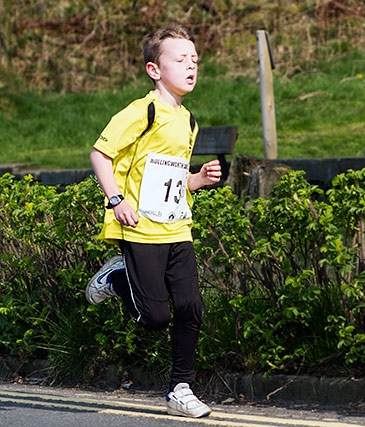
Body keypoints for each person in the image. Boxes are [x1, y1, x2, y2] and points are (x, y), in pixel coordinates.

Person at [85, 25, 222, 419]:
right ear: (154, 70)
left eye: (194, 60)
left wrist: (198, 179)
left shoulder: (189, 121)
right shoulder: (141, 110)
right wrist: (116, 200)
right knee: (154, 318)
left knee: (191, 306)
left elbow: (172, 177)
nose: (190, 66)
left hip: (177, 225)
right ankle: (115, 278)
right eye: (180, 60)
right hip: (140, 227)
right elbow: (100, 154)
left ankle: (180, 387)